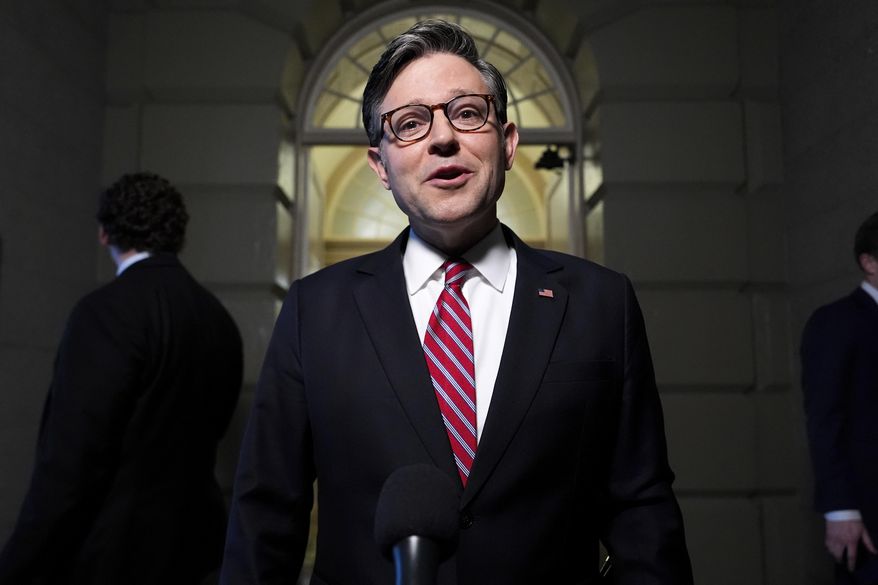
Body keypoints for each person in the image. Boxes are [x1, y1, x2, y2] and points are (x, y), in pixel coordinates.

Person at [220, 19, 692, 585]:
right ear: (381, 167)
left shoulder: (600, 302)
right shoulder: (313, 311)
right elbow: (265, 517)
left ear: (508, 142)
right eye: (411, 124)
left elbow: (642, 511)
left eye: (468, 113)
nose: (444, 138)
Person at [0, 172, 244, 585]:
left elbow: (70, 459)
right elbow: (215, 426)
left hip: (114, 556)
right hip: (196, 548)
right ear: (176, 234)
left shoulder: (106, 312)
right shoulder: (217, 319)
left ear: (104, 233)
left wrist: (19, 565)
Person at [801, 211, 878, 584]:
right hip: (868, 513)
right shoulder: (836, 322)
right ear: (869, 262)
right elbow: (824, 417)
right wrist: (840, 509)